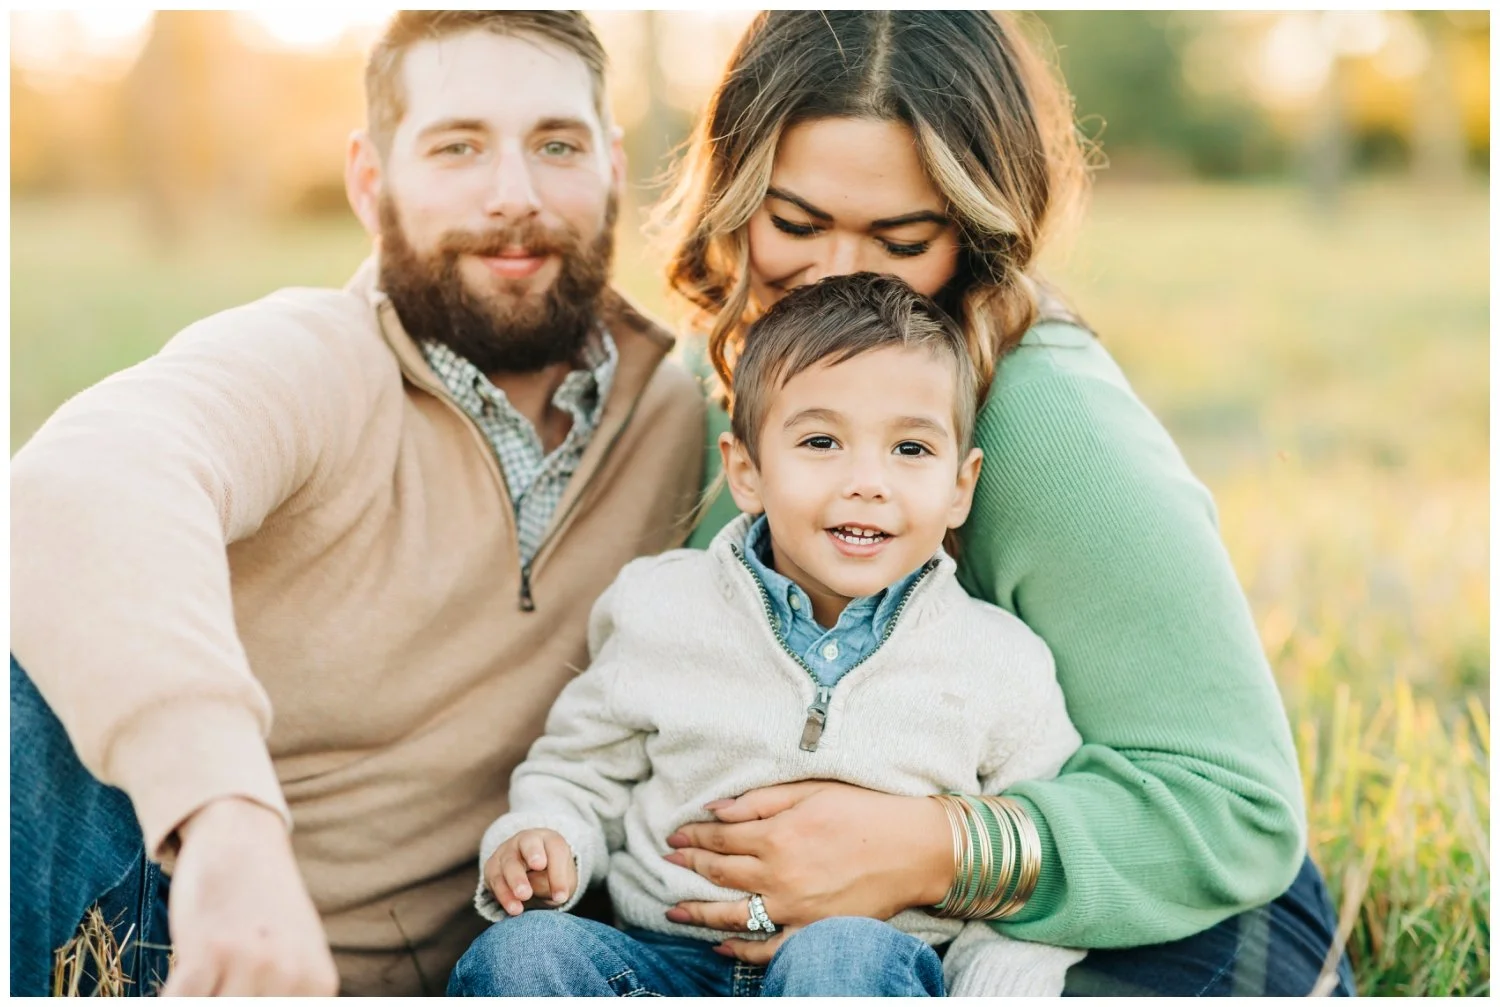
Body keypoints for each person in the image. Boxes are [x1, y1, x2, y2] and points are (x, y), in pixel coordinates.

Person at [656, 10, 1357, 996]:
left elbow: (1240, 809)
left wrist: (938, 849)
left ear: (979, 235)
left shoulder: (1042, 418)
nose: (837, 281)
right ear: (732, 200)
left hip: (1162, 931)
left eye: (901, 238)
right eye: (795, 223)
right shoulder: (712, 370)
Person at [10, 12, 706, 997]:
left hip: (444, 962)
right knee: (31, 668)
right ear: (371, 179)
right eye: (458, 146)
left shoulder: (684, 425)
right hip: (166, 897)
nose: (514, 195)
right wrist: (225, 813)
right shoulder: (317, 357)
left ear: (608, 167)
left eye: (556, 144)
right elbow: (78, 481)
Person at [447, 272, 1089, 998]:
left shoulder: (998, 662)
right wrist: (546, 838)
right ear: (746, 472)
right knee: (522, 954)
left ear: (960, 486)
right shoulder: (661, 607)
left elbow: (1028, 890)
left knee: (840, 953)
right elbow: (582, 769)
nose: (868, 480)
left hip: (863, 970)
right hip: (664, 962)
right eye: (822, 441)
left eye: (910, 450)